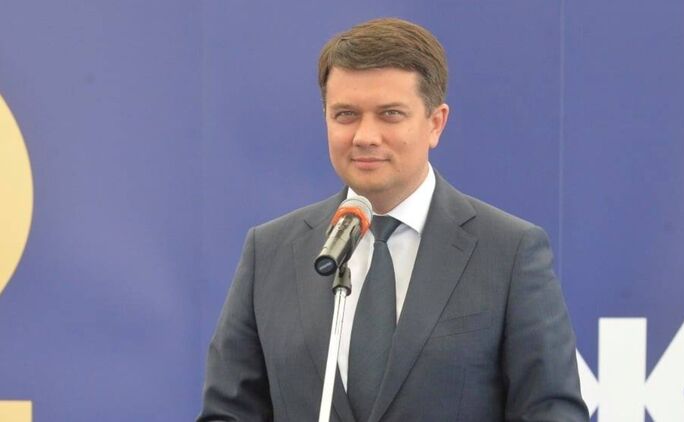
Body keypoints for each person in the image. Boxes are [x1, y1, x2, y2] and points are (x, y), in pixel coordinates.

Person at [198, 17, 588, 422]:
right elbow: (228, 413)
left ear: (435, 123)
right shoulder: (270, 251)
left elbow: (552, 412)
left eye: (390, 114)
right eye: (345, 114)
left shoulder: (508, 252)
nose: (365, 136)